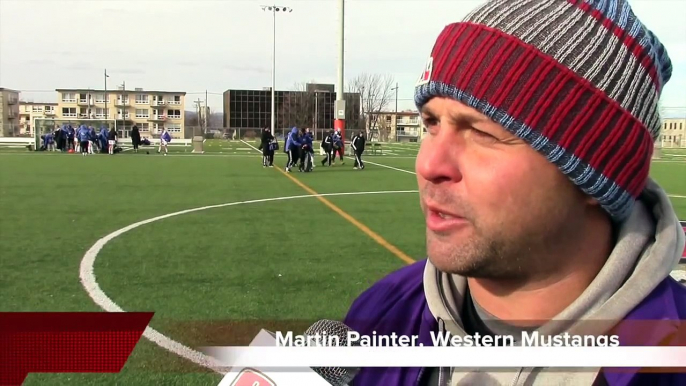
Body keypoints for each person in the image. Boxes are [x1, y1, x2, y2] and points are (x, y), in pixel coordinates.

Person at [343, 1, 686, 385]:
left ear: (595, 174)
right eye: (432, 123)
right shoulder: (382, 311)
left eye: (481, 132)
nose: (429, 165)